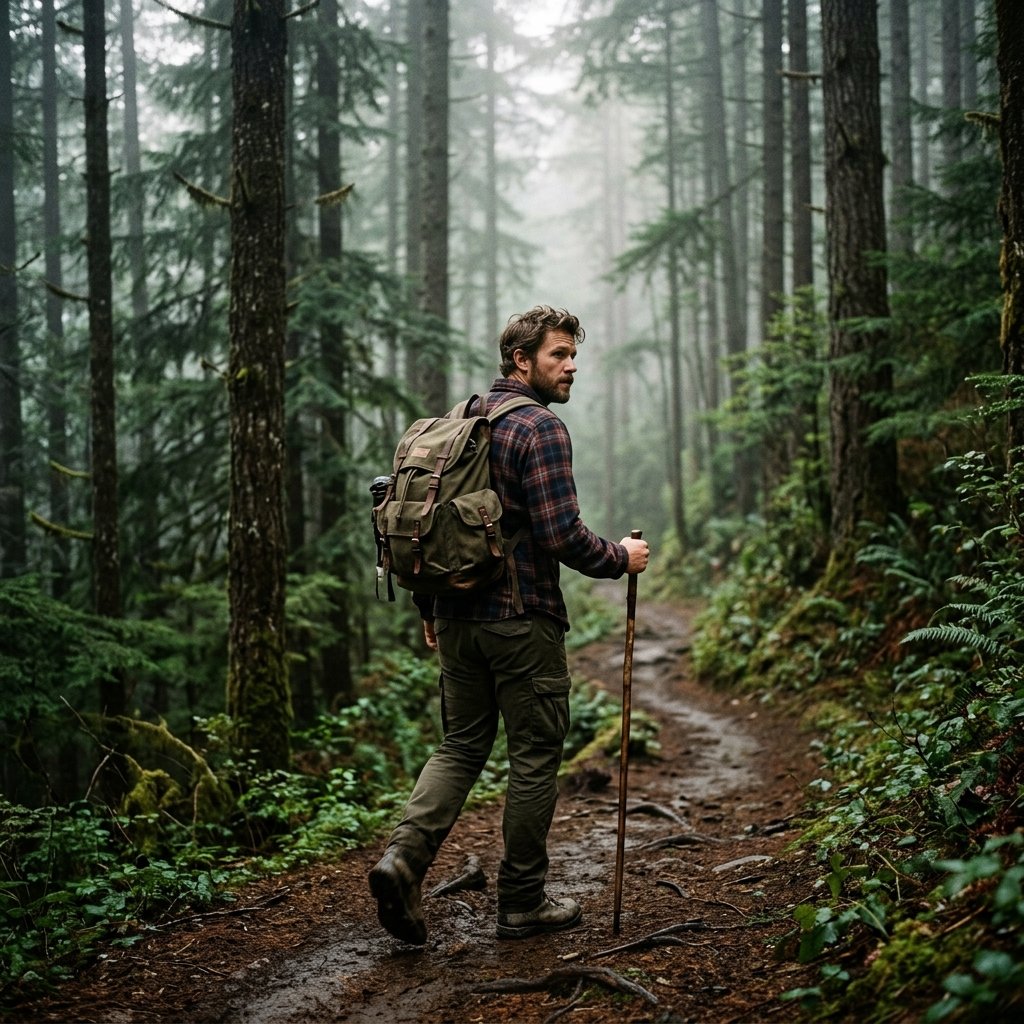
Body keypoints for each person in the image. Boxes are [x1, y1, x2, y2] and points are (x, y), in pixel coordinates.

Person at [368, 305, 650, 944]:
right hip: (521, 623)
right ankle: (522, 901)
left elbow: (426, 527)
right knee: (532, 756)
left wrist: (428, 610)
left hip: (456, 619)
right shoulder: (539, 429)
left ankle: (403, 862)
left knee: (460, 745)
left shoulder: (461, 423)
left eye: (574, 354)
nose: (572, 365)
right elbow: (561, 535)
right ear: (521, 361)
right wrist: (621, 559)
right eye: (559, 355)